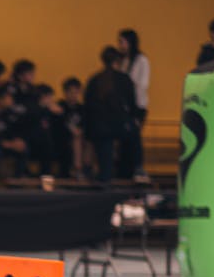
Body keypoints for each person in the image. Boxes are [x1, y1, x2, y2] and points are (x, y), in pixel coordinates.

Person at [84, 46, 139, 183]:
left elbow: (87, 107)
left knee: (105, 167)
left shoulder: (94, 80)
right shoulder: (124, 79)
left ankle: (104, 189)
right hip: (119, 126)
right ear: (118, 61)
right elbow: (132, 105)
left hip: (98, 129)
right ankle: (137, 170)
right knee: (133, 138)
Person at [117, 29, 148, 180]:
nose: (120, 45)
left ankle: (137, 168)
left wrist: (135, 111)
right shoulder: (123, 61)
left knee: (134, 137)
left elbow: (142, 85)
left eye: (122, 42)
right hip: (123, 107)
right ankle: (125, 172)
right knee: (125, 140)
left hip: (137, 106)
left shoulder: (142, 60)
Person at [54, 77, 85, 179]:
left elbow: (86, 125)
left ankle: (81, 169)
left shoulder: (82, 109)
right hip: (62, 138)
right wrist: (72, 130)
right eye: (71, 92)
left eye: (76, 92)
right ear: (65, 92)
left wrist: (79, 131)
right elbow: (57, 126)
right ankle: (77, 169)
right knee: (75, 139)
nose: (74, 95)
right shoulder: (59, 106)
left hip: (80, 139)